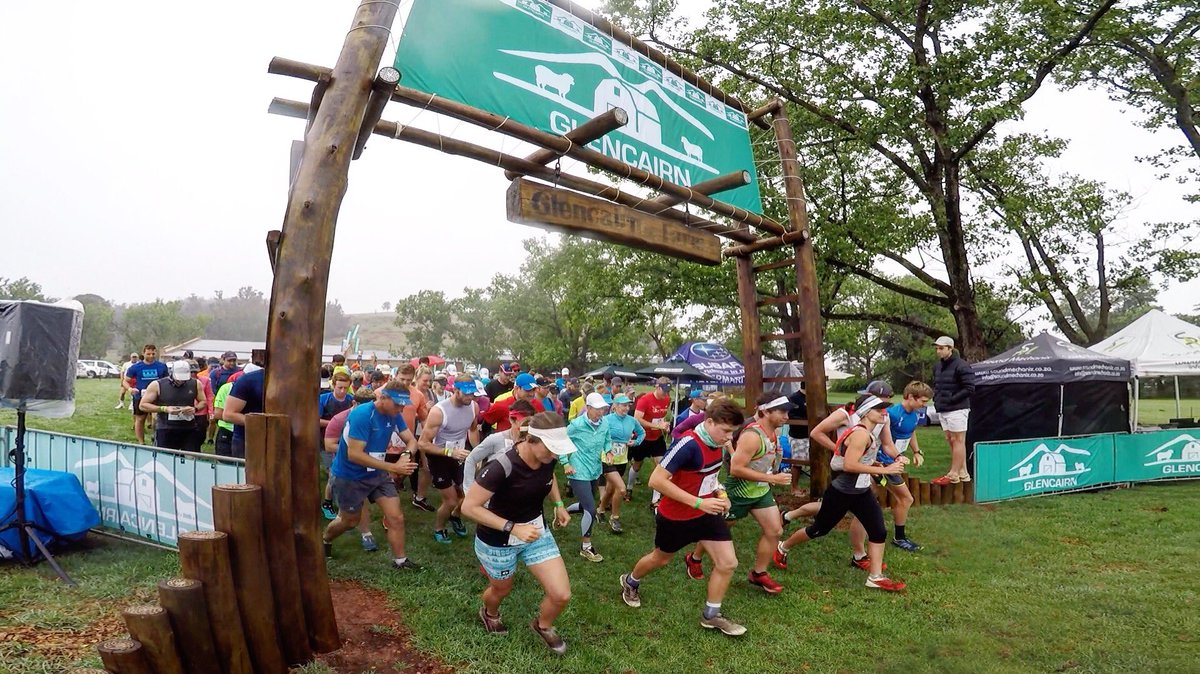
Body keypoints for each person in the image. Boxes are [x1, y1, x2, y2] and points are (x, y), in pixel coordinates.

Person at [618, 399, 748, 636]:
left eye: (733, 433)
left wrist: (721, 494)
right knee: (660, 559)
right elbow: (656, 481)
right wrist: (699, 502)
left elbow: (710, 477)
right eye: (726, 431)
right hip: (676, 517)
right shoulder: (687, 444)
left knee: (728, 563)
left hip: (707, 514)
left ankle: (711, 616)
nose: (729, 438)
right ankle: (631, 580)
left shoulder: (716, 442)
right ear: (709, 422)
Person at [460, 412, 574, 655]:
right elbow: (469, 507)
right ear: (532, 441)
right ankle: (489, 613)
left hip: (534, 532)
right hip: (497, 540)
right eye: (551, 449)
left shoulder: (547, 459)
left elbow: (549, 477)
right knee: (501, 589)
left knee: (561, 594)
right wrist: (513, 528)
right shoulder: (501, 467)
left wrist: (559, 505)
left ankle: (542, 625)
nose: (555, 456)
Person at [773, 394, 907, 592]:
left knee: (878, 531)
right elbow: (850, 465)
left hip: (861, 491)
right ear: (866, 413)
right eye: (879, 409)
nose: (884, 413)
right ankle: (783, 546)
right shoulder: (861, 434)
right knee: (819, 529)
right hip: (842, 492)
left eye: (884, 409)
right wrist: (884, 470)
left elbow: (859, 461)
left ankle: (875, 577)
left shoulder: (867, 432)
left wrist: (876, 463)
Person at [686, 394, 792, 595]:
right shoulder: (752, 436)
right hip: (738, 492)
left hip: (760, 491)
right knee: (718, 529)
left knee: (775, 531)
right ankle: (694, 558)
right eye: (782, 411)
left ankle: (759, 573)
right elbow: (735, 468)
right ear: (765, 411)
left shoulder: (774, 433)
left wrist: (769, 477)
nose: (786, 416)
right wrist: (772, 479)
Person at [322, 381, 422, 570]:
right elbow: (355, 454)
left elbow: (411, 440)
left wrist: (405, 456)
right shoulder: (362, 415)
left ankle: (400, 561)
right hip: (349, 475)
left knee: (396, 517)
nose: (401, 409)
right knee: (349, 521)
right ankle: (325, 538)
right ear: (382, 398)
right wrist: (393, 467)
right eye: (397, 404)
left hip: (377, 474)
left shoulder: (394, 414)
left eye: (403, 404)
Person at [418, 374, 482, 543]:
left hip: (459, 455)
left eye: (472, 393)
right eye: (466, 393)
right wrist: (449, 452)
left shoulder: (473, 407)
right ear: (455, 390)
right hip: (439, 456)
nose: (470, 397)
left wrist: (477, 452)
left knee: (467, 494)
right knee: (451, 500)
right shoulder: (439, 411)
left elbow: (473, 430)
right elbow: (423, 444)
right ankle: (439, 528)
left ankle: (455, 517)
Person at [322, 388, 382, 549]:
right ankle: (334, 534)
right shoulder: (339, 419)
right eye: (363, 405)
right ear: (354, 403)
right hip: (344, 468)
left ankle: (364, 533)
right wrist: (356, 449)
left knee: (359, 504)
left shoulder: (377, 418)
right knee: (352, 510)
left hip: (368, 467)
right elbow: (328, 445)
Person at [562, 393, 611, 562]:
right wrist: (565, 463)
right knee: (591, 509)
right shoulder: (576, 425)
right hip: (578, 470)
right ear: (588, 408)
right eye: (597, 409)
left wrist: (609, 450)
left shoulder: (604, 423)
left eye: (603, 409)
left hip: (594, 469)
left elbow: (607, 438)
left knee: (586, 504)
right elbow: (561, 442)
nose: (600, 412)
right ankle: (586, 547)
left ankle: (563, 511)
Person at [884, 381, 932, 551]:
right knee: (906, 498)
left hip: (895, 461)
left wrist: (917, 452)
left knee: (873, 496)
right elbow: (880, 438)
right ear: (911, 397)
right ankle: (899, 537)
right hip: (884, 463)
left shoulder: (914, 414)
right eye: (923, 401)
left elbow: (911, 432)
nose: (924, 405)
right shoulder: (893, 414)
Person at [464, 400, 538, 493]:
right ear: (512, 420)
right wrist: (468, 491)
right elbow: (471, 459)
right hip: (492, 497)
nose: (527, 427)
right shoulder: (496, 439)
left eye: (530, 423)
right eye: (524, 423)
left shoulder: (534, 442)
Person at [931, 336, 976, 485]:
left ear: (950, 348)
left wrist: (951, 399)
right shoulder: (937, 367)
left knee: (958, 440)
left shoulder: (962, 365)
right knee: (951, 440)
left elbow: (969, 388)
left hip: (958, 409)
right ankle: (963, 472)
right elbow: (937, 385)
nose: (938, 351)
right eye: (937, 348)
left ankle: (954, 473)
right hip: (943, 409)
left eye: (941, 348)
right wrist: (937, 399)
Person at [597, 393, 643, 533]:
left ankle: (600, 510)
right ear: (615, 406)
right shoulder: (606, 420)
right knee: (621, 488)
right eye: (623, 405)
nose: (626, 408)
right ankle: (615, 517)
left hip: (622, 459)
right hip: (608, 459)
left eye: (628, 405)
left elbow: (642, 433)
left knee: (611, 489)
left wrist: (635, 442)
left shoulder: (632, 420)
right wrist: (606, 446)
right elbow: (598, 434)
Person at [137, 360, 206, 450]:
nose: (181, 381)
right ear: (172, 373)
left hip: (189, 427)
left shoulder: (195, 383)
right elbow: (143, 405)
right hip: (166, 428)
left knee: (190, 458)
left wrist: (195, 409)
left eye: (184, 379)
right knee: (166, 458)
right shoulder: (157, 385)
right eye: (179, 378)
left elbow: (203, 401)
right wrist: (164, 409)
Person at [628, 377, 673, 503]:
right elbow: (637, 419)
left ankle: (655, 500)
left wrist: (664, 425)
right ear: (657, 387)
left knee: (662, 467)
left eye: (668, 391)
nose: (666, 394)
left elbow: (661, 416)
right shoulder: (645, 400)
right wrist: (657, 426)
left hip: (657, 438)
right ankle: (629, 488)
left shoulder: (667, 399)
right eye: (664, 390)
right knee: (637, 465)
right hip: (642, 437)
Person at [126, 345, 170, 445]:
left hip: (157, 396)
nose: (151, 356)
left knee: (156, 418)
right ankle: (141, 442)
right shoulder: (136, 367)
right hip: (140, 396)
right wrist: (130, 389)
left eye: (153, 353)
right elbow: (126, 380)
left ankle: (156, 438)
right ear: (143, 353)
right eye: (148, 354)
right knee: (140, 419)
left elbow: (167, 380)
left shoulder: (162, 366)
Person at [222, 363, 265, 459]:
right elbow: (228, 414)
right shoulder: (248, 380)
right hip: (247, 441)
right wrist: (263, 423)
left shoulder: (297, 379)